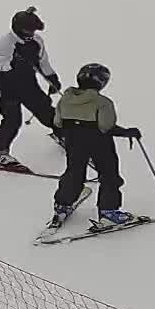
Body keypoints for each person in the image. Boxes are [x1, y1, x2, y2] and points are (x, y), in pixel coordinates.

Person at [49, 63, 142, 232]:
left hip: (73, 140)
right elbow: (106, 126)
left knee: (74, 171)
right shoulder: (103, 102)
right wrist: (128, 132)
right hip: (99, 142)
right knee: (108, 174)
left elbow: (57, 122)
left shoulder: (65, 98)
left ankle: (62, 204)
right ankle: (108, 211)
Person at [0, 7, 63, 170]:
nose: (30, 34)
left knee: (46, 110)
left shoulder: (36, 41)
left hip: (27, 83)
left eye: (33, 30)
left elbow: (43, 62)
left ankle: (63, 134)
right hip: (6, 86)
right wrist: (18, 64)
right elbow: (3, 67)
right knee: (12, 119)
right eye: (28, 30)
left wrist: (52, 78)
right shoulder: (4, 43)